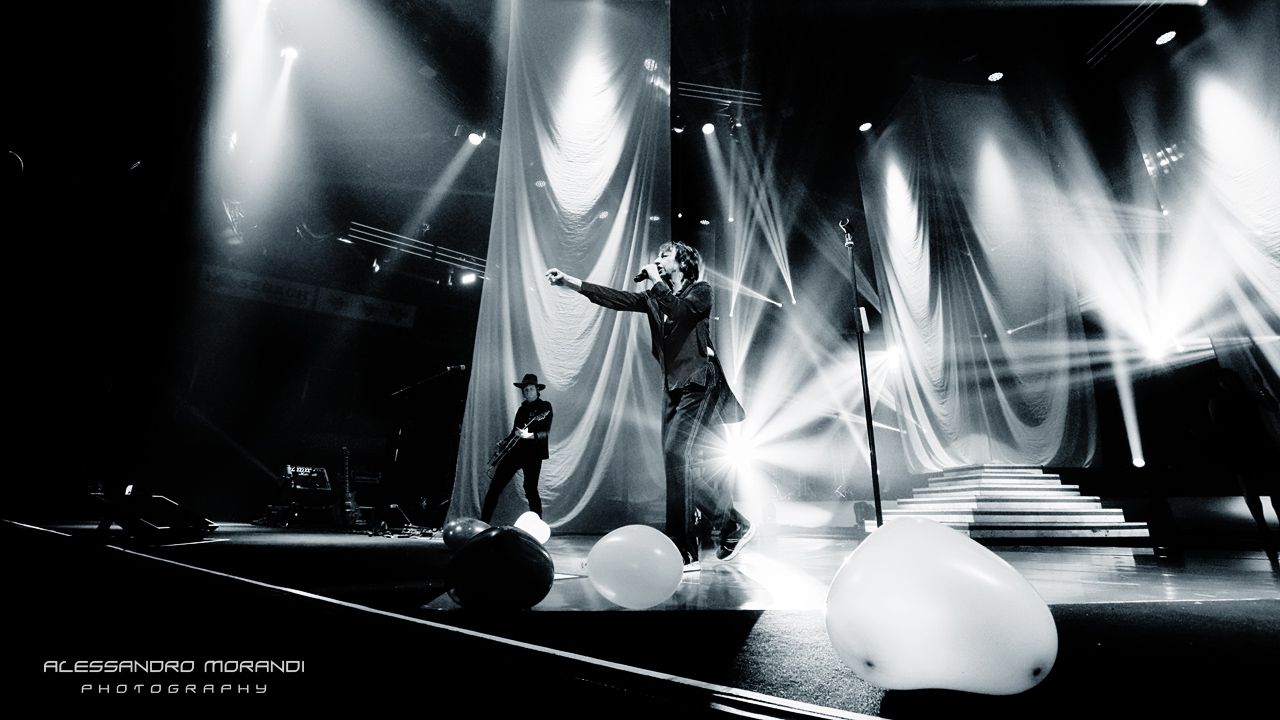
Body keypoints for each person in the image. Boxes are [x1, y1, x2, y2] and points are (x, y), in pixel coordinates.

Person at [546, 241, 750, 570]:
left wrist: (655, 281)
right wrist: (570, 282)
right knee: (674, 463)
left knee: (677, 454)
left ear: (682, 262)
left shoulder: (701, 290)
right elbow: (615, 298)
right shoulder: (654, 298)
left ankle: (720, 528)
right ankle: (697, 544)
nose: (657, 259)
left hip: (700, 379)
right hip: (675, 386)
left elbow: (681, 311)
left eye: (664, 256)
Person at [480, 373, 553, 524]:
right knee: (495, 486)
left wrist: (529, 435)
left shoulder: (545, 407)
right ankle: (483, 523)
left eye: (531, 389)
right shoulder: (522, 409)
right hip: (516, 451)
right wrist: (505, 442)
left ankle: (537, 527)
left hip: (533, 454)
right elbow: (515, 431)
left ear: (537, 390)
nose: (527, 392)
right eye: (525, 390)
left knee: (530, 489)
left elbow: (545, 433)